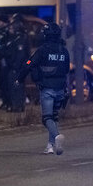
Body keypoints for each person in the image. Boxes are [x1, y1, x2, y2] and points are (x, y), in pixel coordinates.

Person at [17, 23, 70, 155]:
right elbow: (67, 69)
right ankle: (50, 146)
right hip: (60, 89)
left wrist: (19, 78)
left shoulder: (42, 50)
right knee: (54, 117)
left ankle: (57, 137)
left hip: (47, 88)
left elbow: (29, 64)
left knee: (46, 118)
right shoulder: (64, 50)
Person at [4, 14, 29, 112]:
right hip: (13, 67)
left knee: (18, 87)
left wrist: (26, 65)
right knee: (13, 87)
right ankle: (16, 106)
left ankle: (19, 106)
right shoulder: (11, 37)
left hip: (19, 68)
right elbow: (7, 52)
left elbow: (26, 54)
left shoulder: (23, 38)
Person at [0, 15, 10, 110]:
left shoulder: (7, 32)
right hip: (1, 59)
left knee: (6, 82)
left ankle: (8, 102)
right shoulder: (0, 32)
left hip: (6, 60)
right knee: (2, 82)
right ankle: (5, 101)